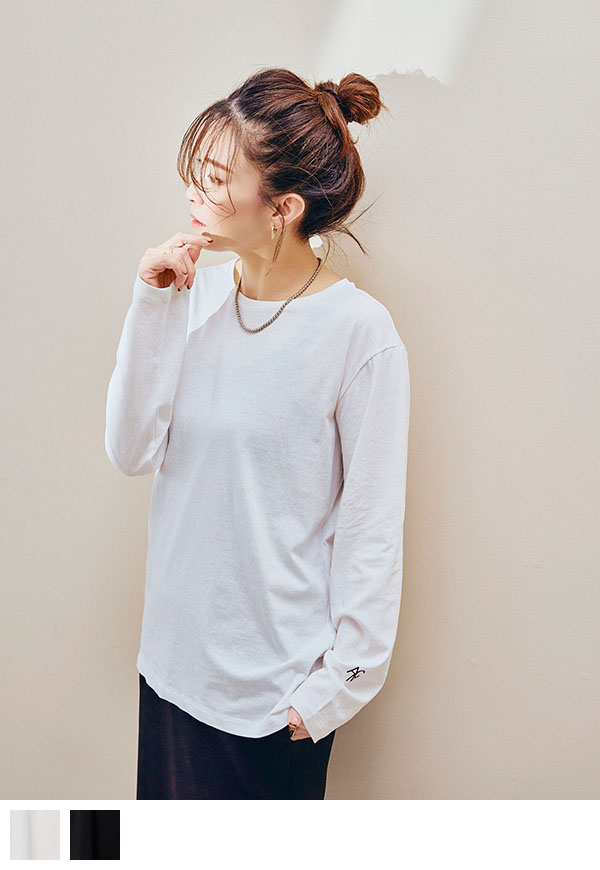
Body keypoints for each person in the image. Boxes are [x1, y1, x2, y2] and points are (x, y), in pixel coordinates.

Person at [104, 67, 410, 800]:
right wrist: (151, 305)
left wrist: (333, 694)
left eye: (215, 180)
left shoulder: (358, 334)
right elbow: (130, 450)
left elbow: (371, 528)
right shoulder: (190, 298)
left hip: (272, 701)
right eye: (195, 174)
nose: (193, 194)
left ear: (283, 208)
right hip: (171, 673)